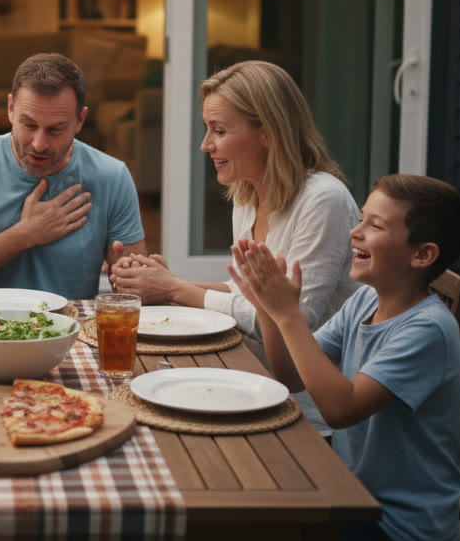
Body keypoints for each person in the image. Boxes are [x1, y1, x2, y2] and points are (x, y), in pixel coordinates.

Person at [229, 174, 460, 541]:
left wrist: (289, 314)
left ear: (422, 255)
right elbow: (291, 376)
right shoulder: (365, 300)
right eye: (360, 219)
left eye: (374, 225)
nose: (355, 233)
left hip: (397, 526)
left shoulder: (428, 330)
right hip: (350, 493)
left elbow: (340, 409)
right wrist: (269, 308)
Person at [110, 60, 359, 338]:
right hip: (255, 357)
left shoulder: (323, 200)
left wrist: (174, 289)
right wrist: (161, 282)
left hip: (308, 376)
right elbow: (244, 292)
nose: (205, 145)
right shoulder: (247, 194)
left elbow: (295, 319)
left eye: (219, 130)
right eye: (207, 128)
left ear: (267, 132)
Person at [0, 53, 146, 300]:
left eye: (55, 130)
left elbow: (134, 293)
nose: (38, 144)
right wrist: (25, 235)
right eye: (29, 125)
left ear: (80, 120)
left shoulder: (112, 176)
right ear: (10, 109)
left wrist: (139, 280)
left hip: (69, 332)